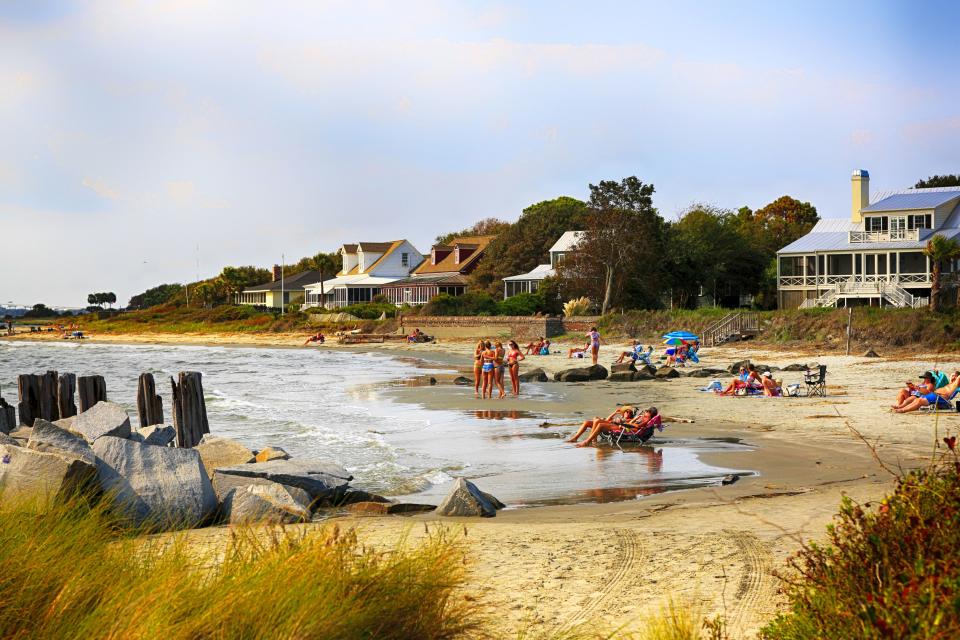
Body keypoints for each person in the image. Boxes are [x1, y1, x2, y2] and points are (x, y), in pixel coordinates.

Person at [570, 407, 661, 447]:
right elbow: (634, 422)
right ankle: (576, 438)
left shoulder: (646, 422)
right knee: (592, 422)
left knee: (600, 424)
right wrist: (631, 420)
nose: (644, 417)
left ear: (651, 417)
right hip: (625, 426)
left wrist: (625, 423)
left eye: (646, 416)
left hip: (628, 429)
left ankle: (587, 442)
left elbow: (637, 426)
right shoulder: (643, 419)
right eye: (644, 415)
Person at [892, 371, 960, 413]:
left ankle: (902, 410)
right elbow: (952, 379)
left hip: (940, 397)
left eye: (955, 376)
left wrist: (957, 376)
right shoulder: (951, 384)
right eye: (952, 376)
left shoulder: (956, 385)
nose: (953, 377)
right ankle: (902, 408)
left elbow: (958, 378)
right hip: (935, 395)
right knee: (918, 400)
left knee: (919, 401)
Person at [566, 406, 637, 443]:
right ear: (623, 413)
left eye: (630, 413)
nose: (628, 414)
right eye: (626, 412)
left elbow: (629, 425)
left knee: (597, 420)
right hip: (609, 424)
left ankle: (592, 440)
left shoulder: (630, 420)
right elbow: (607, 420)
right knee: (586, 422)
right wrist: (614, 413)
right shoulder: (619, 417)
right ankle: (575, 438)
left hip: (612, 428)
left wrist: (621, 422)